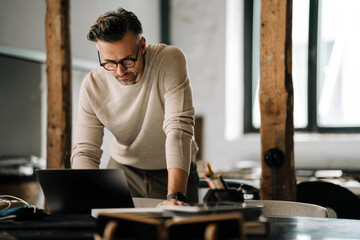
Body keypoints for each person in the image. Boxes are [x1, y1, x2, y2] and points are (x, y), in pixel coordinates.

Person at [70, 8, 199, 206]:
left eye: (127, 60)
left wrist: (175, 196)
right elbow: (86, 150)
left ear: (142, 46)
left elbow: (179, 129)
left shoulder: (169, 60)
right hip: (123, 172)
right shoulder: (92, 85)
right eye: (109, 63)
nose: (120, 71)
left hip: (173, 171)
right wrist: (87, 193)